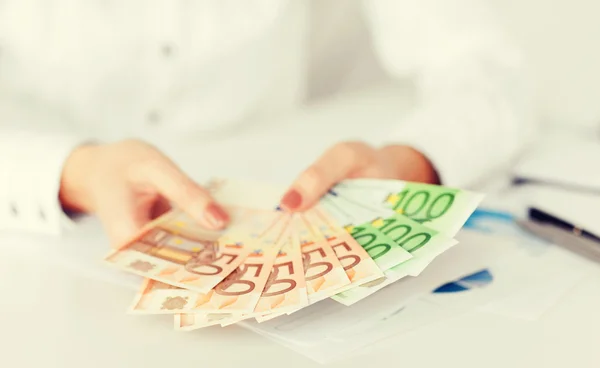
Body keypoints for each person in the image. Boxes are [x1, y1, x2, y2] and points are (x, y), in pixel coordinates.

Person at [0, 0, 530, 246]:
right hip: (33, 239)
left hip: (275, 219)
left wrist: (410, 159)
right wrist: (73, 172)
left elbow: (489, 70)